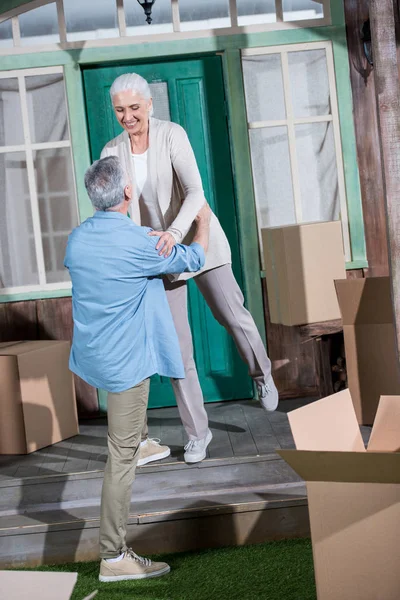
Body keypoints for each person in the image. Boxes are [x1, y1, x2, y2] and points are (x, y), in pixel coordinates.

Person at [100, 72, 279, 465]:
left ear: (149, 105)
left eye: (134, 108)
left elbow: (196, 191)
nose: (128, 117)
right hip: (159, 256)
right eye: (120, 111)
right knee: (178, 350)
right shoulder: (111, 152)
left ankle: (261, 373)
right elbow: (115, 207)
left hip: (198, 237)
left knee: (232, 315)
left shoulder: (172, 134)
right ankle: (198, 433)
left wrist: (177, 230)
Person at [64, 155, 211, 583]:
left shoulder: (78, 239)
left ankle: (138, 439)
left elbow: (117, 265)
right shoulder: (137, 244)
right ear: (128, 192)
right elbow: (192, 259)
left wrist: (143, 239)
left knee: (126, 433)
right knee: (120, 457)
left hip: (96, 357)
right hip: (126, 364)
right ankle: (113, 555)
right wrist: (200, 221)